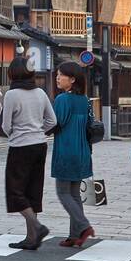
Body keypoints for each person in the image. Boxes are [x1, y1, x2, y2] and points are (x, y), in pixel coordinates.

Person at [1, 56, 57, 250]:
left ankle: (37, 228)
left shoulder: (12, 94)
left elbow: (6, 125)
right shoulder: (40, 93)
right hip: (40, 145)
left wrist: (15, 134)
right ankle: (31, 238)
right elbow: (52, 121)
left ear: (13, 73)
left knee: (16, 191)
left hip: (20, 147)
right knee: (33, 190)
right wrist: (39, 132)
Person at [51, 62, 95, 248]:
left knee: (63, 192)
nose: (57, 78)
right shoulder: (84, 100)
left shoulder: (62, 99)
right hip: (83, 150)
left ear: (72, 79)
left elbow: (55, 123)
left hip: (66, 150)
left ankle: (84, 227)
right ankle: (75, 235)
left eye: (61, 75)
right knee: (75, 194)